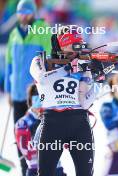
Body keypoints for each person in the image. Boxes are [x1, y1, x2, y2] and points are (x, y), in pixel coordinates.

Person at [30, 26, 98, 176]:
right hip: (52, 125)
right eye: (73, 44)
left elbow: (85, 103)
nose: (77, 50)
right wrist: (67, 68)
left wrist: (98, 80)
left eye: (79, 44)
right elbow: (41, 78)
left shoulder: (82, 65)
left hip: (79, 124)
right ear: (62, 44)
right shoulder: (40, 60)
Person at [4, 0, 51, 174]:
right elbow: (9, 64)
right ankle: (26, 171)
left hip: (35, 93)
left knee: (37, 134)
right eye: (20, 12)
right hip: (17, 93)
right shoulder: (14, 34)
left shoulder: (43, 30)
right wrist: (8, 89)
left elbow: (49, 60)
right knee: (20, 135)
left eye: (26, 12)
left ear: (33, 12)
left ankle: (41, 168)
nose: (23, 16)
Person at [15, 84, 67, 176]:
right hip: (36, 169)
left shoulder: (53, 119)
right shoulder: (23, 124)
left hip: (56, 168)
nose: (40, 106)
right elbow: (27, 151)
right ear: (31, 101)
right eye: (37, 99)